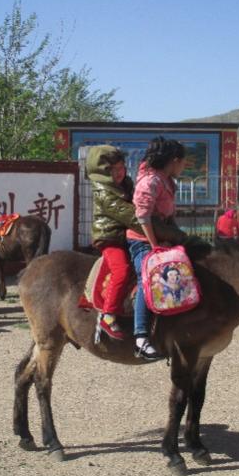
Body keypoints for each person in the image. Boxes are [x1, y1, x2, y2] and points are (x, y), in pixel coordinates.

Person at [126, 137, 187, 361]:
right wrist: (154, 247)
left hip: (163, 239)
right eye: (183, 162)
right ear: (174, 161)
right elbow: (142, 216)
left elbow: (168, 217)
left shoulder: (167, 181)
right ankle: (141, 338)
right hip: (141, 241)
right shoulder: (150, 182)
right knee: (149, 276)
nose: (184, 167)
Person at [85, 145, 137, 341]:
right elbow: (132, 216)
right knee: (122, 269)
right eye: (114, 169)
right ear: (103, 172)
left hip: (125, 235)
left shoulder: (126, 185)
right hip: (109, 236)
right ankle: (108, 314)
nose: (120, 172)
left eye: (122, 167)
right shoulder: (104, 192)